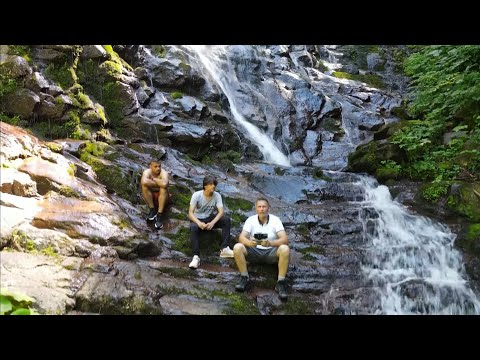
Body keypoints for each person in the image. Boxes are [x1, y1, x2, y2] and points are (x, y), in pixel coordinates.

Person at [233, 197, 290, 300]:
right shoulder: (250, 220)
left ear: (269, 208)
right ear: (256, 209)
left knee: (285, 249)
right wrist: (249, 243)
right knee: (237, 247)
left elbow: (285, 239)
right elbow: (241, 237)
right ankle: (244, 278)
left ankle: (281, 283)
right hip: (253, 251)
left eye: (264, 207)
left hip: (271, 252)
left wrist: (271, 243)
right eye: (259, 207)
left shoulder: (275, 220)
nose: (262, 209)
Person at [188, 175, 234, 269]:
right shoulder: (197, 195)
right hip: (197, 219)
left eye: (214, 184)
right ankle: (196, 257)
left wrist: (212, 223)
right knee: (193, 227)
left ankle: (224, 248)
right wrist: (199, 223)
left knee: (226, 220)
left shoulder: (217, 196)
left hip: (209, 218)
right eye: (211, 184)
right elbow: (190, 213)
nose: (213, 186)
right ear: (205, 186)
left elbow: (221, 212)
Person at [141, 159, 169, 230]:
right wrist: (159, 183)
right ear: (150, 166)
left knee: (163, 188)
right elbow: (144, 182)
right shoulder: (147, 172)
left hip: (163, 197)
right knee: (144, 186)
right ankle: (152, 210)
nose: (158, 168)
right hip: (151, 196)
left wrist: (154, 179)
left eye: (159, 166)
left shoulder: (164, 173)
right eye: (155, 166)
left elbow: (165, 184)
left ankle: (159, 215)